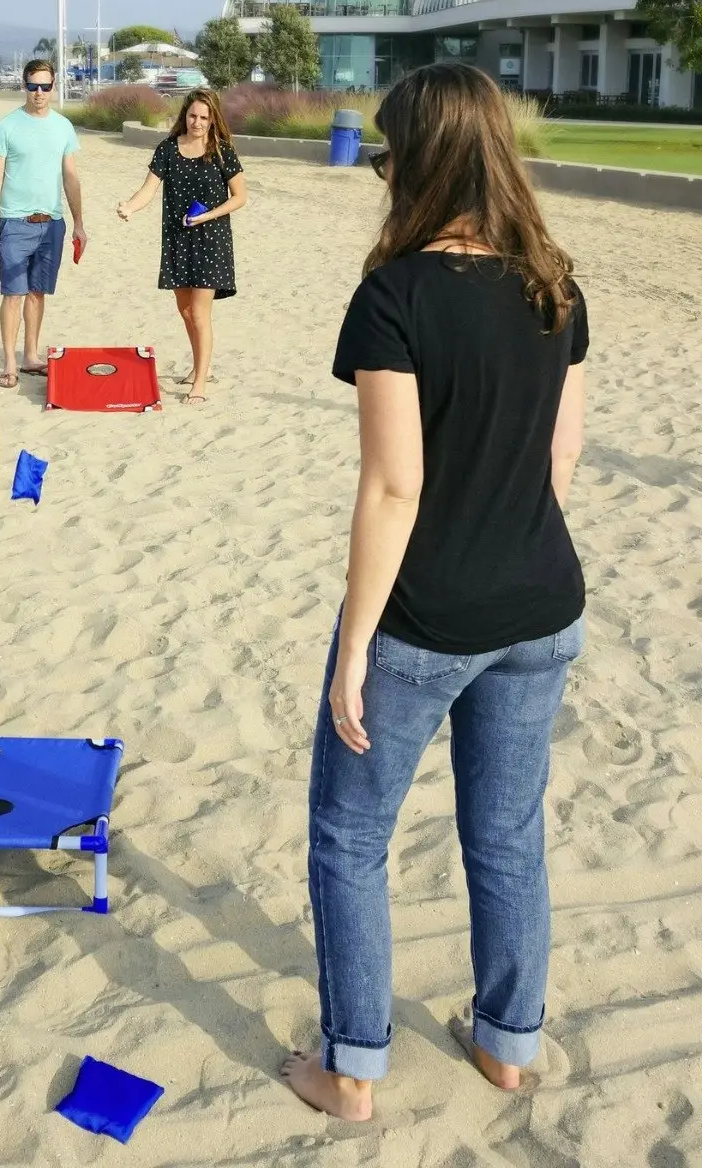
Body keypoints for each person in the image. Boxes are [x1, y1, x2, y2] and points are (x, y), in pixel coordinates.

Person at [281, 63, 589, 1122]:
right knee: (507, 835)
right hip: (541, 601)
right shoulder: (554, 280)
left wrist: (357, 642)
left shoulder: (397, 295)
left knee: (350, 836)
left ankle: (353, 1067)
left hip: (427, 615)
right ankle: (508, 1046)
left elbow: (394, 484)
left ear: (414, 160)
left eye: (386, 150)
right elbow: (560, 459)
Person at [117, 89, 247, 405]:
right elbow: (148, 189)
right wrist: (130, 207)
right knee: (186, 310)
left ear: (213, 119)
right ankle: (198, 366)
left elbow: (240, 197)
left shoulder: (222, 151)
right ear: (184, 116)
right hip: (177, 239)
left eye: (204, 117)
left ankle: (200, 382)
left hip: (211, 241)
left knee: (200, 314)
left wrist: (208, 216)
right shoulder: (167, 150)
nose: (197, 122)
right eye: (192, 116)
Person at [0, 59, 86, 389]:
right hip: (15, 223)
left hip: (52, 223)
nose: (39, 93)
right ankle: (9, 362)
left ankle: (30, 356)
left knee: (37, 293)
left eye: (45, 86)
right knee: (13, 294)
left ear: (54, 86)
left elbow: (71, 176)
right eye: (32, 86)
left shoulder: (63, 127)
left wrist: (79, 223)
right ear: (24, 86)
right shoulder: (7, 126)